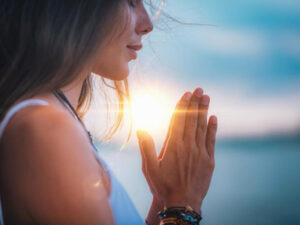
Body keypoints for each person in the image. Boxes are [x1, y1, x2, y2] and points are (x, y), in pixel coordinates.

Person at [0, 0, 218, 224]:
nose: (147, 24)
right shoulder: (45, 130)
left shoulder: (55, 123)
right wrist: (183, 206)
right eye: (130, 3)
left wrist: (164, 201)